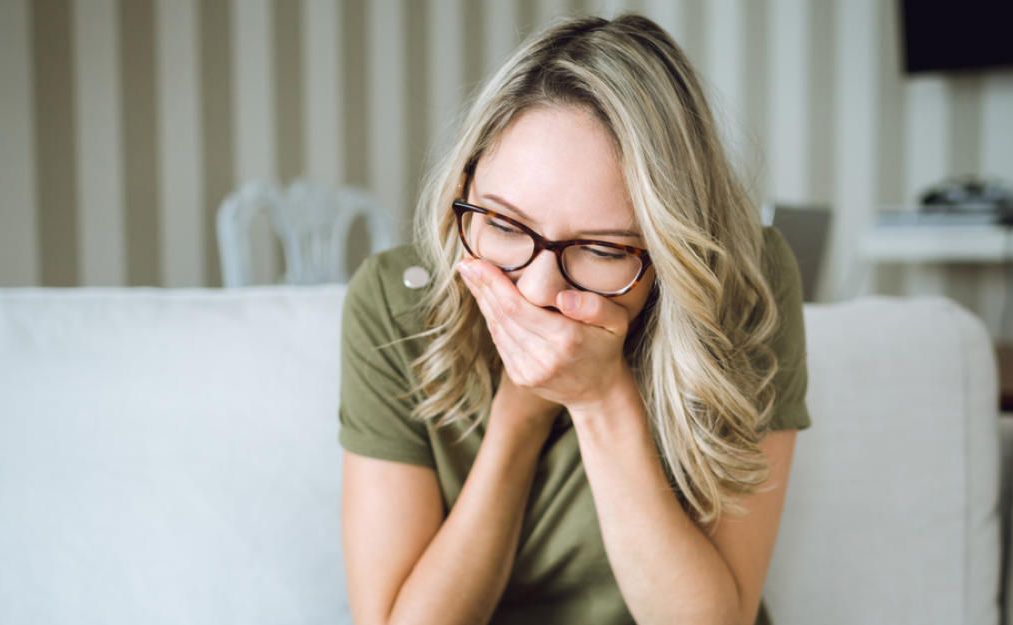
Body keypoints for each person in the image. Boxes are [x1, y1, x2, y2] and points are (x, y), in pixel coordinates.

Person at [338, 12, 810, 625]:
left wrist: (600, 401)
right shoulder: (396, 302)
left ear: (673, 249)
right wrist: (521, 416)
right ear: (466, 180)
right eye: (504, 226)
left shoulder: (746, 282)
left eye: (604, 250)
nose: (537, 291)